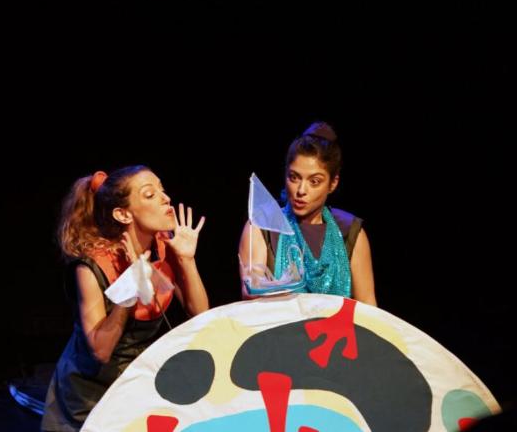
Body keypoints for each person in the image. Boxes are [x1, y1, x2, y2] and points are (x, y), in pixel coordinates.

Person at [42, 165, 209, 431]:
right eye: (150, 194)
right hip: (89, 394)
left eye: (162, 190)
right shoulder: (93, 267)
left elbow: (200, 317)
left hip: (135, 384)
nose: (166, 199)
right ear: (122, 214)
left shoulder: (164, 245)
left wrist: (186, 260)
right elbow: (100, 351)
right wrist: (130, 288)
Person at [239, 121, 376, 305]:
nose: (301, 190)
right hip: (280, 323)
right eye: (294, 177)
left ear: (333, 183)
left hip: (338, 325)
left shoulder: (349, 232)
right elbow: (252, 295)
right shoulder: (264, 225)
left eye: (314, 181)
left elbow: (367, 306)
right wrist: (254, 288)